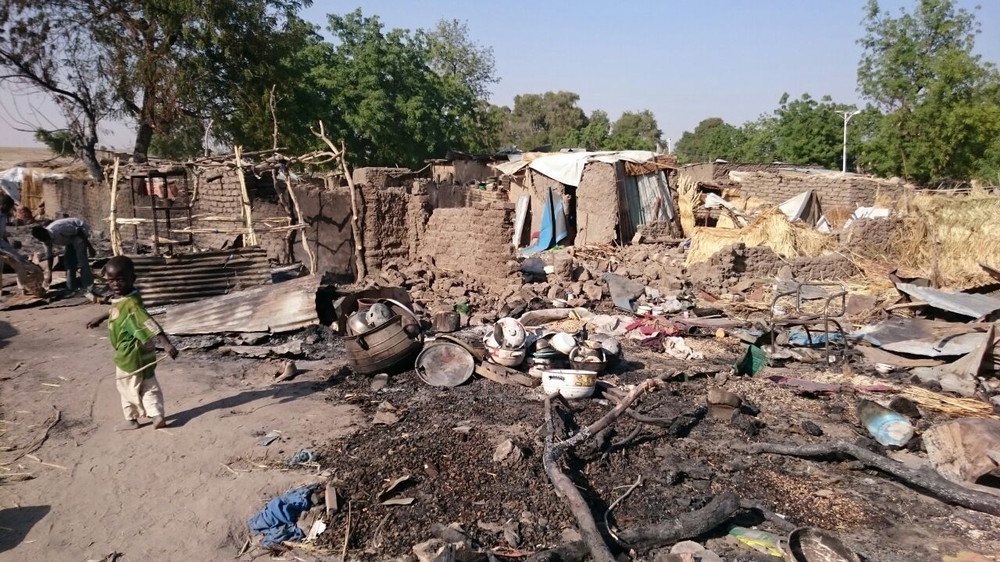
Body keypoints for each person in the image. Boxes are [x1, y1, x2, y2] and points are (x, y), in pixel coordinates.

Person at [86, 256, 178, 431]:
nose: (115, 285)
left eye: (120, 280)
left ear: (132, 278)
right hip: (145, 351)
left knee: (125, 385)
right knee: (149, 383)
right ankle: (157, 415)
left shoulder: (131, 304)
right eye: (111, 280)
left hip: (129, 353)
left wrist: (166, 343)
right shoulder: (131, 295)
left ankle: (131, 419)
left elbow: (148, 321)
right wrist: (101, 317)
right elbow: (118, 308)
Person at [31, 216, 96, 293]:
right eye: (40, 239)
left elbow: (78, 231)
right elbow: (49, 255)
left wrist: (90, 247)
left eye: (42, 238)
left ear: (45, 232)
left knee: (82, 261)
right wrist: (49, 273)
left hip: (80, 231)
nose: (42, 240)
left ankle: (88, 286)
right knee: (68, 263)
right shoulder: (44, 239)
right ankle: (71, 288)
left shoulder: (58, 230)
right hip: (69, 238)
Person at [0, 194, 43, 296]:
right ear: (3, 205)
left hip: (2, 244)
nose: (10, 209)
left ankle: (23, 288)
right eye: (9, 207)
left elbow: (2, 232)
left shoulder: (4, 215)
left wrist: (9, 244)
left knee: (20, 264)